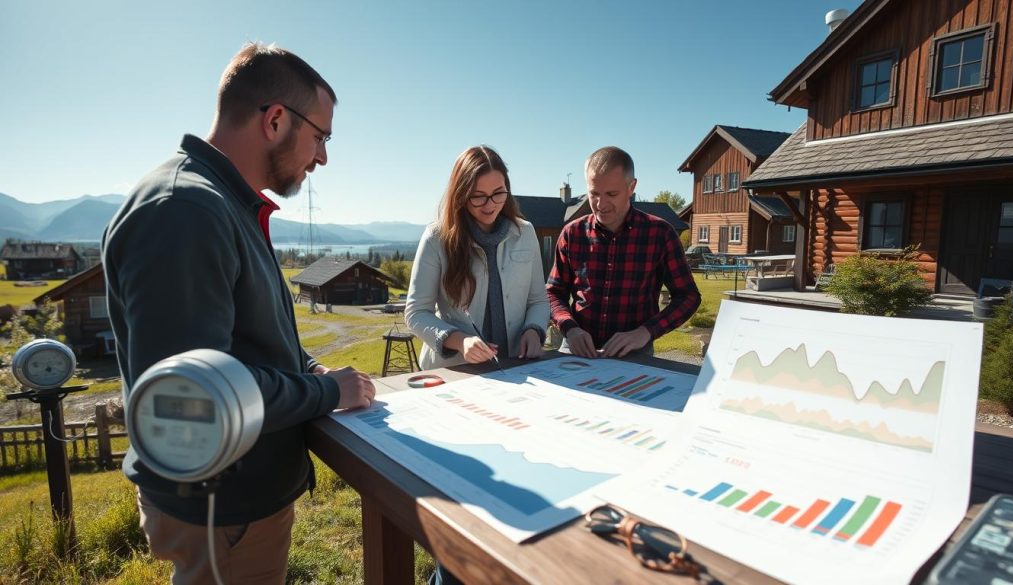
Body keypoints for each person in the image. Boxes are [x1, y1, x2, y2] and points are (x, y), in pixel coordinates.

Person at [102, 42, 375, 584]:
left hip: (234, 499)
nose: (322, 157)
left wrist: (311, 368)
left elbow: (251, 334)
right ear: (275, 120)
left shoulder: (224, 203)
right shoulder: (184, 210)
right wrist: (328, 392)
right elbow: (196, 395)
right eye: (321, 136)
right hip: (220, 506)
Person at [547, 146, 701, 358]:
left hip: (635, 352)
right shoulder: (572, 233)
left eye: (611, 194)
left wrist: (646, 332)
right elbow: (554, 292)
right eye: (593, 194)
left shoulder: (660, 234)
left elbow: (688, 297)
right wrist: (569, 328)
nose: (601, 204)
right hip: (576, 349)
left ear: (631, 187)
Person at [405, 145, 549, 369]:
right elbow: (416, 313)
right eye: (478, 196)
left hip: (516, 366)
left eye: (498, 193)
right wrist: (460, 341)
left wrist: (534, 329)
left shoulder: (525, 232)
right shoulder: (437, 237)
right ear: (461, 194)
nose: (490, 204)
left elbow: (538, 300)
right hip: (455, 371)